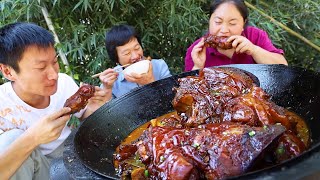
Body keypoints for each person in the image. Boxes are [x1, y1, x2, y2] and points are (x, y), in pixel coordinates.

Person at [0, 22, 109, 179]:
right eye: (41, 67)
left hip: (72, 153)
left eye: (54, 61)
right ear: (8, 71)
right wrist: (33, 138)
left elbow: (86, 115)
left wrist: (95, 107)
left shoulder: (63, 82)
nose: (53, 75)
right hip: (37, 170)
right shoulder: (2, 105)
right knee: (11, 139)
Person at [184, 0, 288, 71]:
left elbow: (283, 68)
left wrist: (254, 50)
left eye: (232, 23)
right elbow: (188, 95)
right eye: (218, 22)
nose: (224, 30)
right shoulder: (196, 50)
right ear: (209, 20)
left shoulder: (255, 36)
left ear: (244, 23)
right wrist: (197, 67)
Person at [98, 24, 171, 98]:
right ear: (116, 58)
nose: (135, 56)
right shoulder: (110, 82)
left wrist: (150, 83)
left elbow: (172, 100)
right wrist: (107, 90)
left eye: (137, 48)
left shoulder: (159, 66)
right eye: (127, 53)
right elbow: (107, 109)